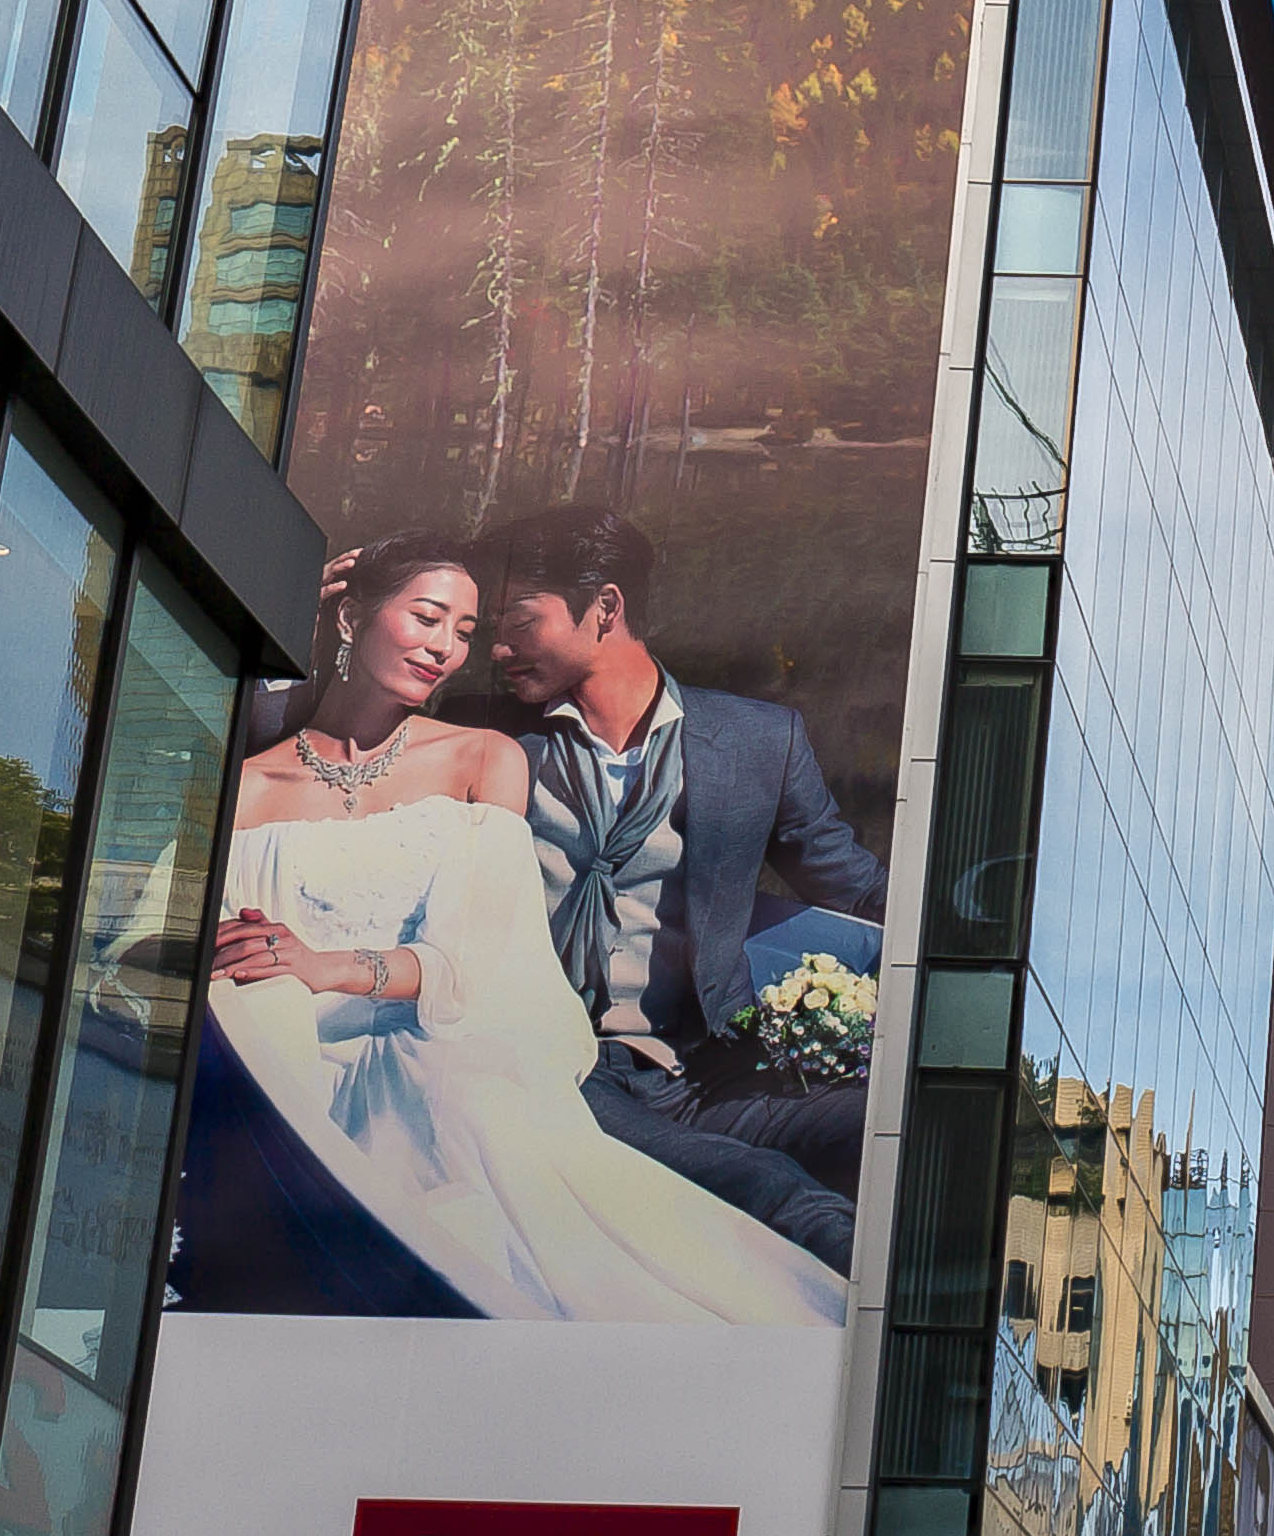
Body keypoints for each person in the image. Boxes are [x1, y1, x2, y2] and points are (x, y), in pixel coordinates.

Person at [210, 541, 845, 1326]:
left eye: (472, 628)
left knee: (805, 1178)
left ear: (605, 609)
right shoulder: (247, 782)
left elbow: (476, 956)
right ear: (350, 614)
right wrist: (288, 624)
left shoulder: (487, 754)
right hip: (319, 1058)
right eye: (430, 617)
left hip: (636, 1059)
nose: (456, 648)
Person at [474, 502, 891, 1271]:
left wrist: (978, 950)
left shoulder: (759, 741)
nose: (495, 647)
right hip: (556, 1064)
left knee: (897, 1131)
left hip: (710, 1075)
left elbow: (857, 888)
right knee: (777, 1194)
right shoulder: (482, 739)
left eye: (519, 621)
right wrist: (334, 625)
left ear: (604, 608)